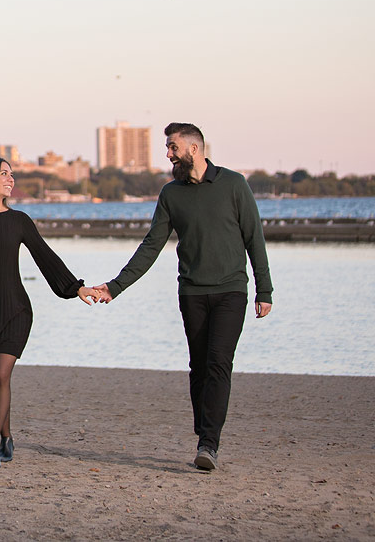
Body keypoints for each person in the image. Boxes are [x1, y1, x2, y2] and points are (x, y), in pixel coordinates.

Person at [93, 123, 273, 472]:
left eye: (173, 147)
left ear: (194, 148)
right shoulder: (171, 194)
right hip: (192, 293)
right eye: (167, 147)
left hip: (231, 291)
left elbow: (255, 238)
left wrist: (264, 290)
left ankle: (209, 443)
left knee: (219, 361)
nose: (168, 154)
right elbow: (151, 246)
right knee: (199, 366)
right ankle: (204, 432)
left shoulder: (234, 184)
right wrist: (116, 287)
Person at [0, 157, 99, 468]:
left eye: (12, 174)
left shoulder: (19, 220)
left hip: (15, 308)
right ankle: (7, 434)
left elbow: (46, 257)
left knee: (0, 374)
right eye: (4, 174)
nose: (11, 179)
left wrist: (75, 287)